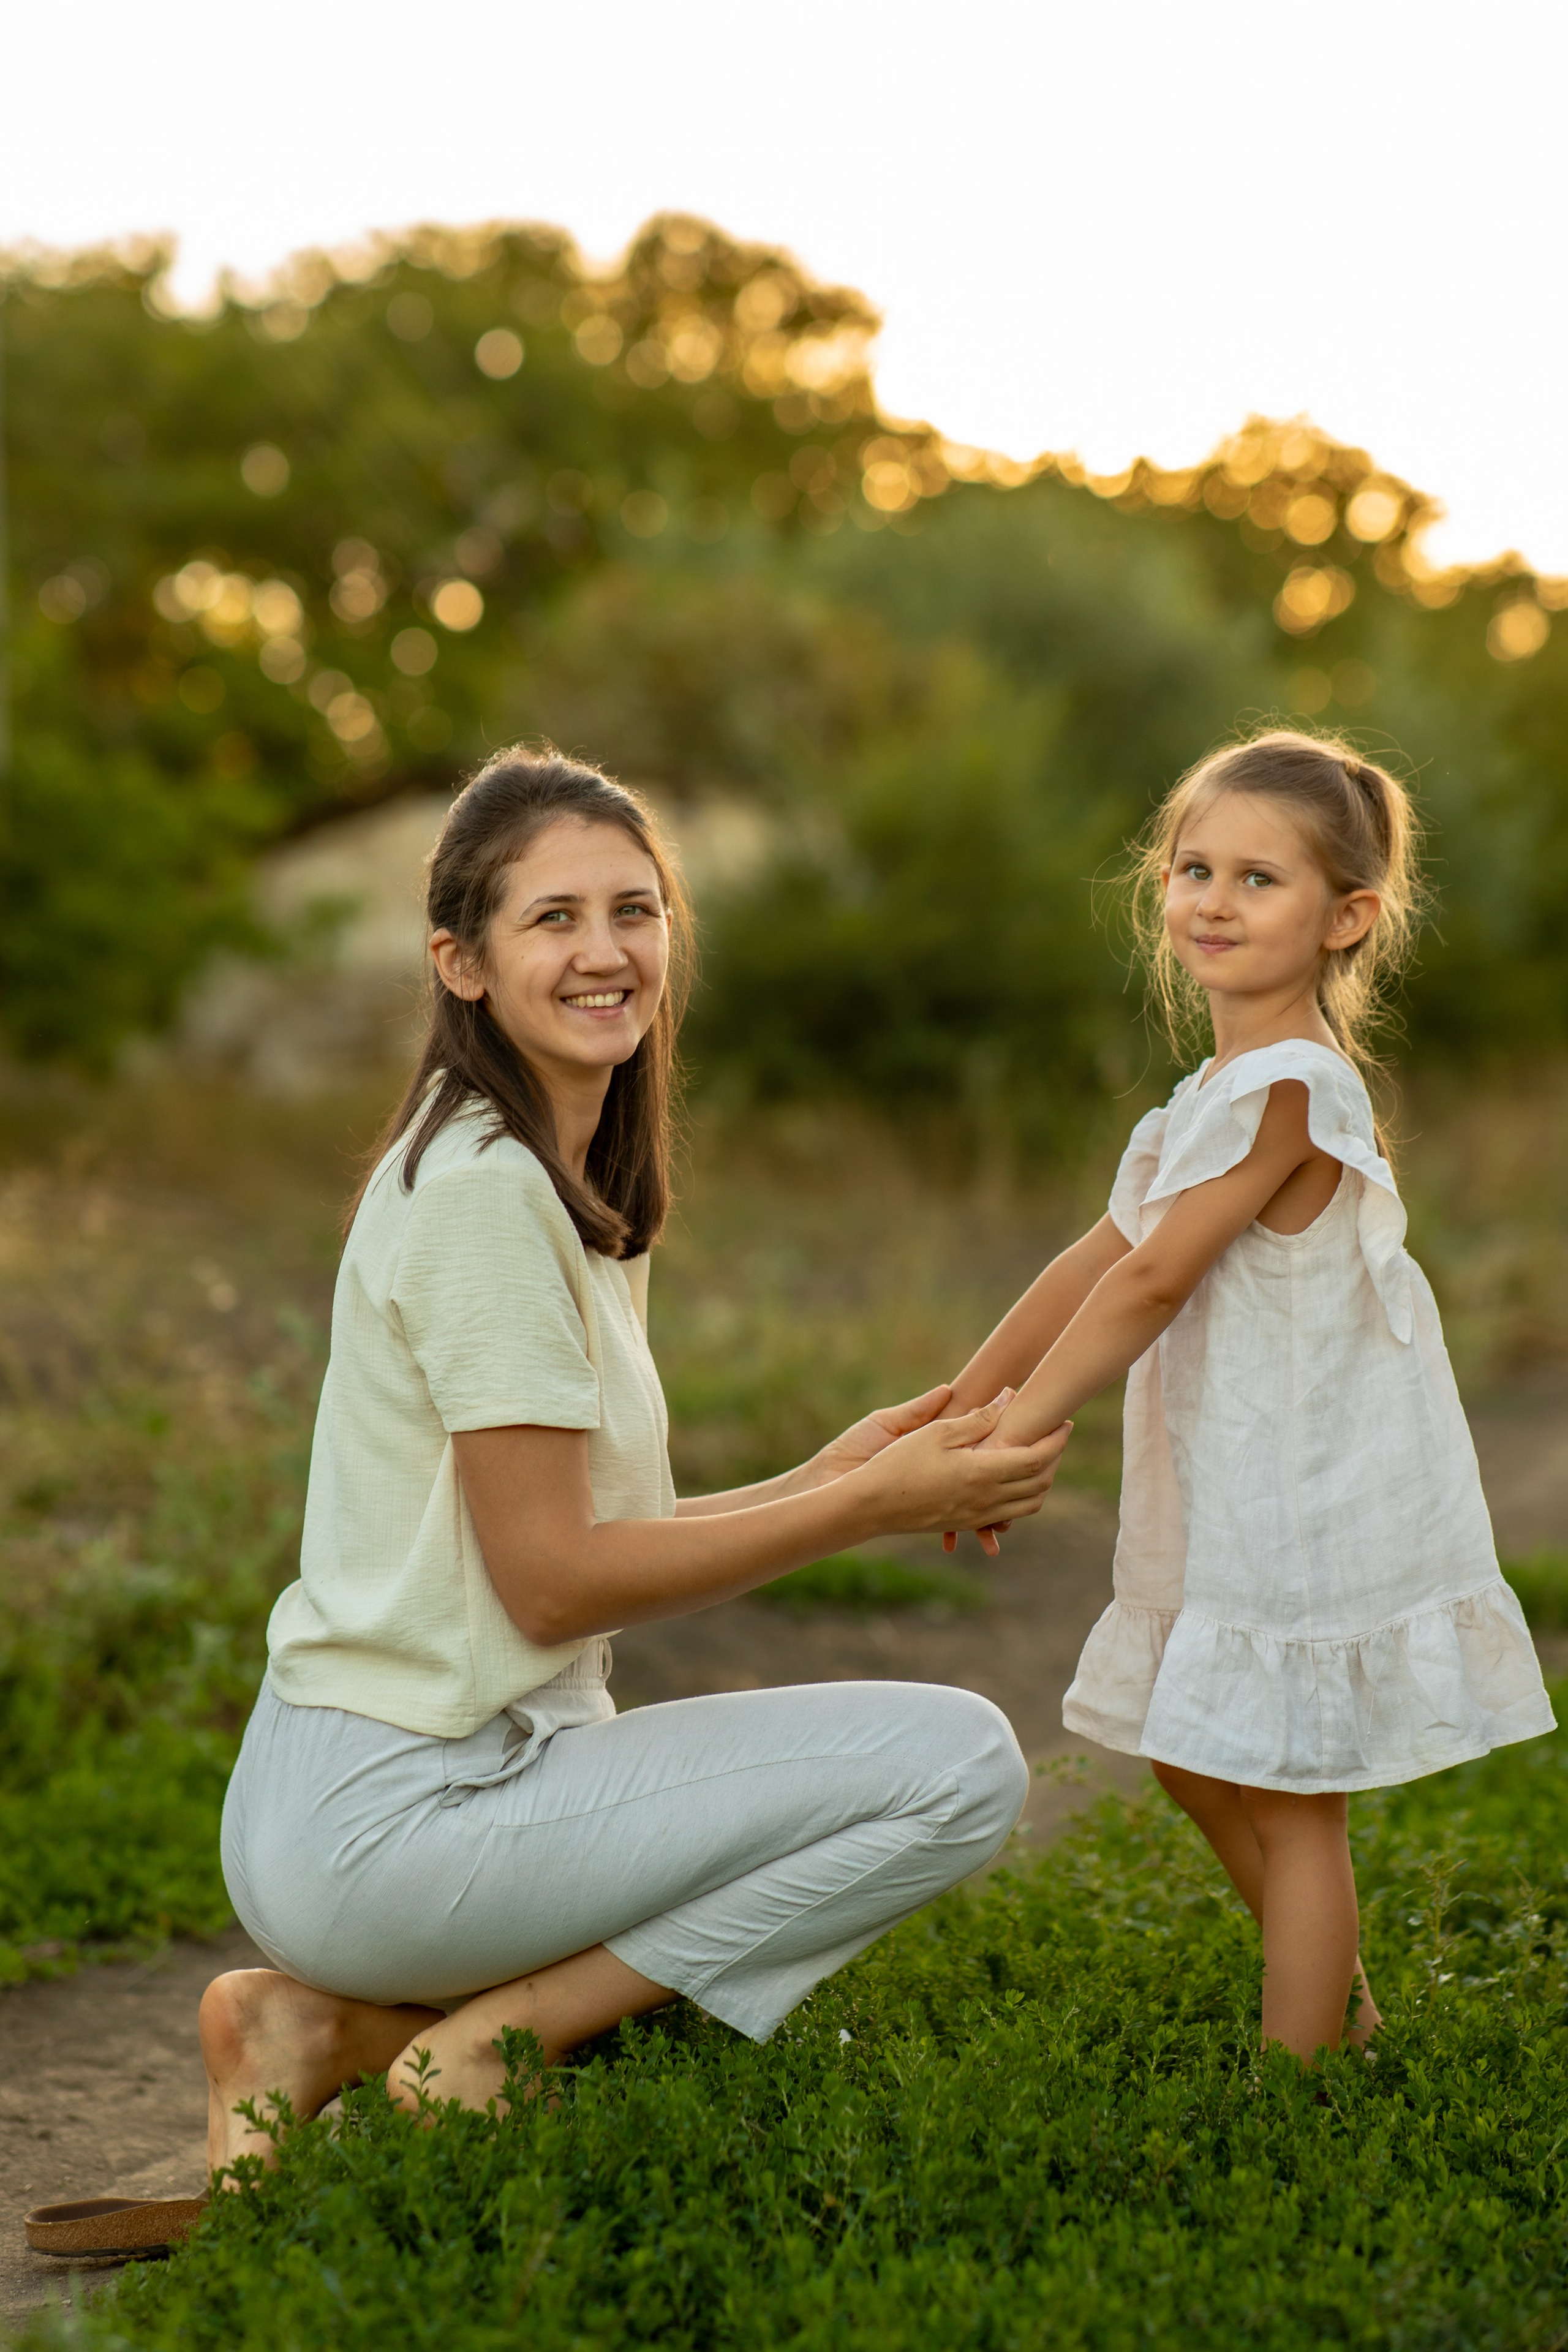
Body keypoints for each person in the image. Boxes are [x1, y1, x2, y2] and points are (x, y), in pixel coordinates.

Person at [200, 747, 1066, 2168]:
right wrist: (863, 1510)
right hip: (401, 1815)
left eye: (633, 910)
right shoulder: (484, 1197)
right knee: (961, 1766)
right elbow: (553, 1584)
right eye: (553, 918)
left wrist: (827, 1474)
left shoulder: (544, 1176)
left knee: (853, 1809)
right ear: (461, 962)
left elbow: (571, 1531)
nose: (604, 952)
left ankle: (318, 2027)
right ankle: (483, 2042)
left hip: (379, 1796)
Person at [938, 729, 1553, 2062]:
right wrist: (966, 1401)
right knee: (1189, 1751)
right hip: (1231, 1480)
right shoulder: (1204, 1096)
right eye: (1193, 869)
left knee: (1289, 1796)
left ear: (1346, 918)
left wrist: (1024, 1430)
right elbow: (1099, 1255)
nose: (1212, 901)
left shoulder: (1291, 1088)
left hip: (1300, 1492)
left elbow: (1154, 1282)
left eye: (1257, 879)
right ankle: (1340, 2017)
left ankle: (1305, 2082)